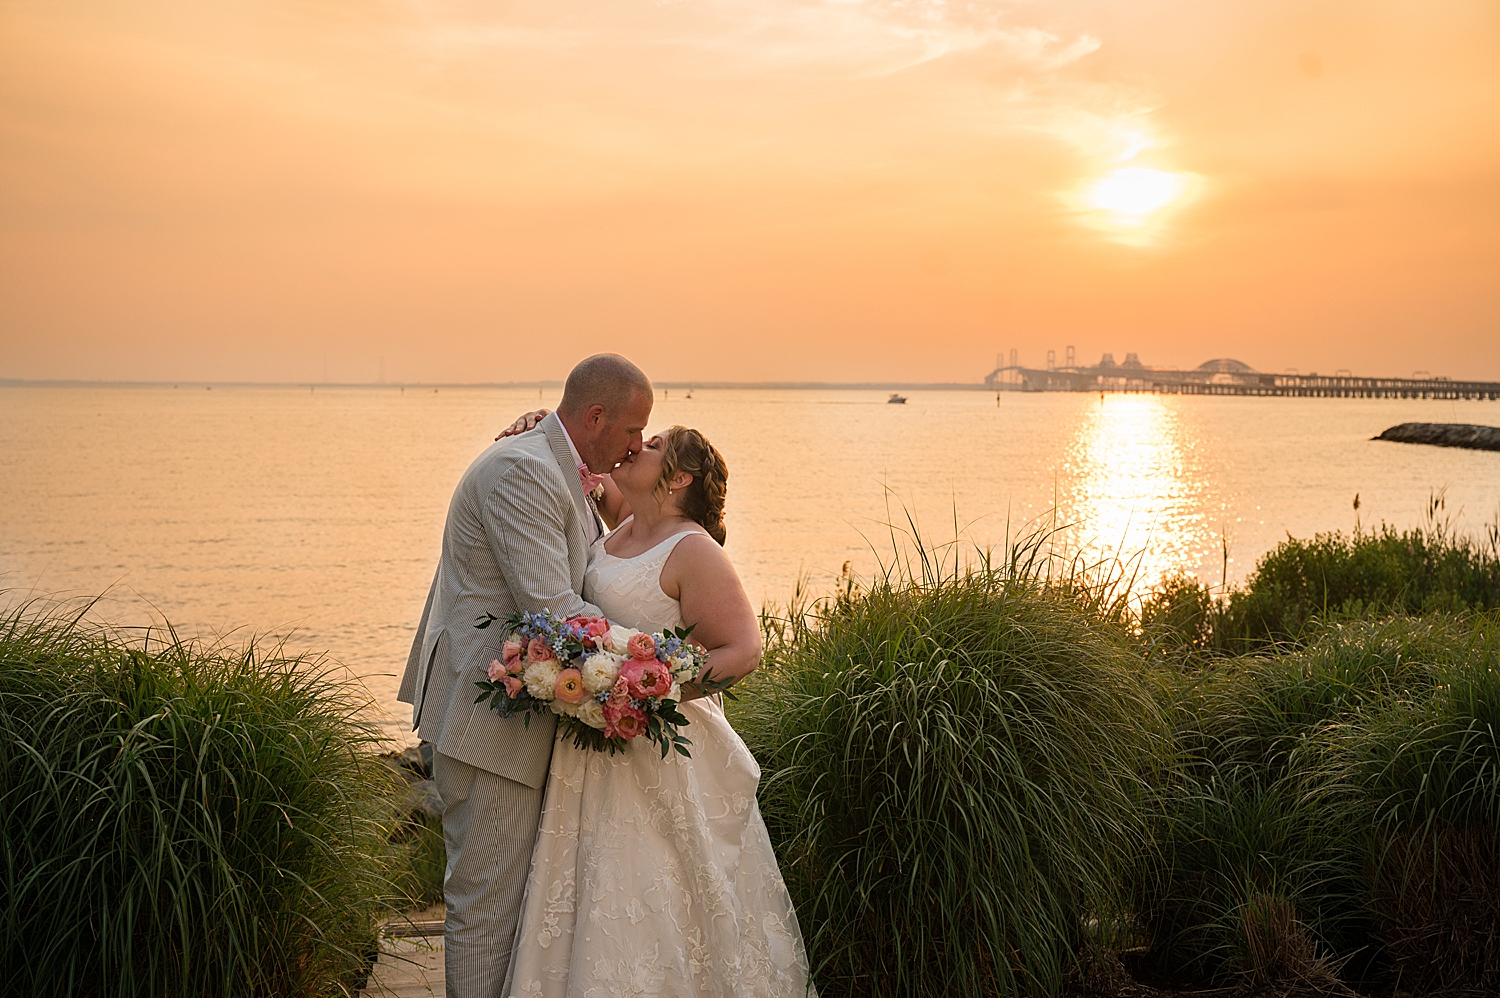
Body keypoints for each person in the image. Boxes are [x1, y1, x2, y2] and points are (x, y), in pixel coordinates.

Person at [494, 415, 816, 998]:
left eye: (657, 444)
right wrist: (538, 424)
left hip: (660, 746)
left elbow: (743, 649)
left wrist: (651, 687)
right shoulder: (622, 524)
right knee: (592, 884)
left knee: (659, 885)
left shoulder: (692, 547)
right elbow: (580, 456)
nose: (639, 444)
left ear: (679, 479)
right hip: (594, 741)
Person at [398, 354, 654, 997]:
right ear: (595, 416)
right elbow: (555, 610)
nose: (637, 445)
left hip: (521, 732)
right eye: (632, 430)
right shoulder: (523, 470)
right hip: (487, 731)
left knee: (518, 916)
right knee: (486, 912)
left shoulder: (567, 467)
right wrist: (662, 663)